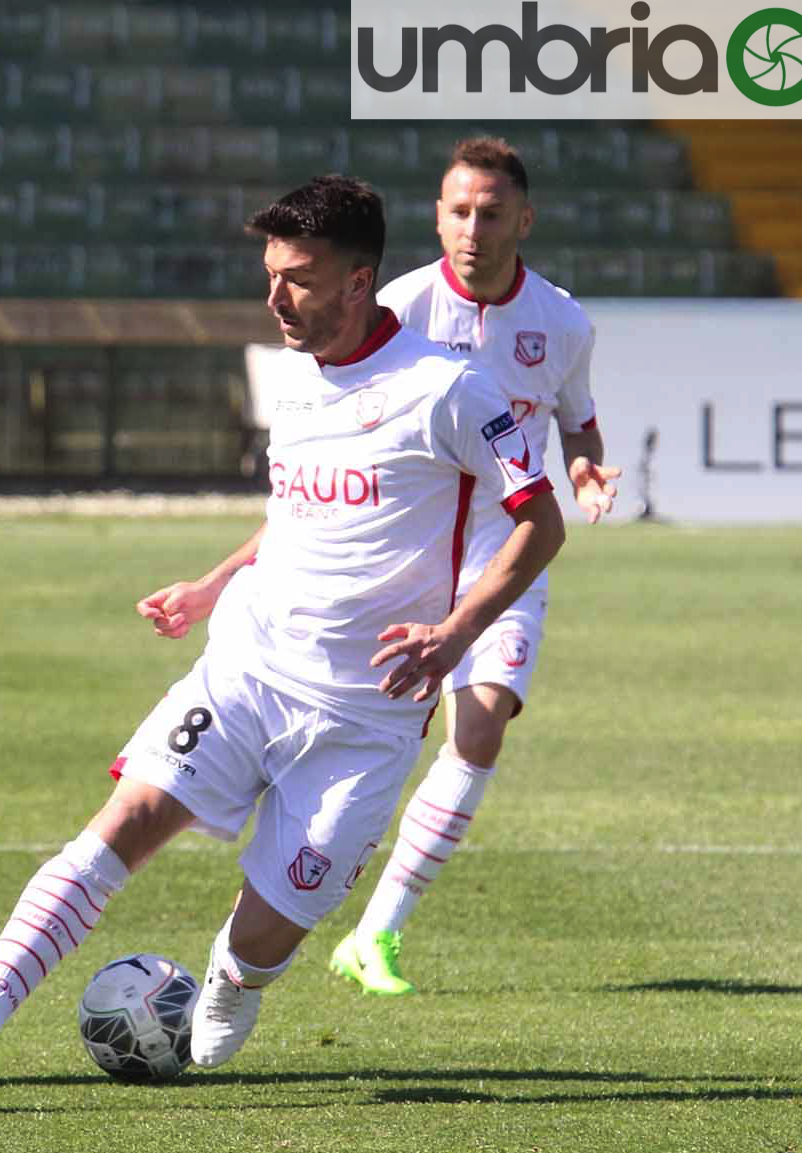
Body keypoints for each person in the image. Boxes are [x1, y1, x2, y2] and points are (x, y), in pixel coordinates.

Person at [0, 176, 565, 1097]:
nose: (275, 298)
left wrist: (458, 633)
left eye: (296, 278)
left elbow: (542, 521)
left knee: (265, 932)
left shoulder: (451, 390)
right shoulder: (291, 379)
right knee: (126, 820)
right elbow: (294, 517)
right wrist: (214, 584)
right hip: (249, 669)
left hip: (365, 717)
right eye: (269, 275)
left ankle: (231, 976)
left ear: (357, 278)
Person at [327, 137, 620, 998]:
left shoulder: (563, 323)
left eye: (492, 214)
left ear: (523, 221)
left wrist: (584, 465)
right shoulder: (400, 306)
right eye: (459, 211)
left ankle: (375, 934)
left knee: (481, 726)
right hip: (404, 549)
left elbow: (579, 417)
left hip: (503, 555)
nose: (474, 228)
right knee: (344, 730)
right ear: (439, 216)